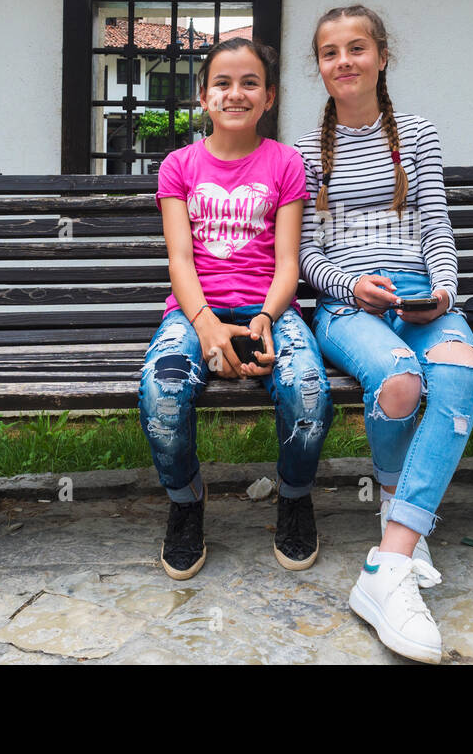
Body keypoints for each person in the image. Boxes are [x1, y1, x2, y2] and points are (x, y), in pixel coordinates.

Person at [296, 5, 473, 664]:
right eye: (330, 52)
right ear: (319, 67)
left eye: (357, 47)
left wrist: (442, 291)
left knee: (462, 369)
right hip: (348, 304)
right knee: (402, 380)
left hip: (419, 297)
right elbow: (306, 259)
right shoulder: (304, 153)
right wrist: (352, 289)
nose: (344, 60)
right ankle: (400, 523)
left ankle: (389, 558)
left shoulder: (418, 134)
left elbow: (438, 230)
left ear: (382, 56)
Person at [139, 36, 333, 581]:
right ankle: (185, 501)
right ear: (204, 96)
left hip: (269, 310)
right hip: (194, 311)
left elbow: (288, 262)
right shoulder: (179, 165)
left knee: (309, 393)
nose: (236, 94)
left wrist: (266, 319)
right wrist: (206, 328)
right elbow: (180, 259)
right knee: (162, 392)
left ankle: (294, 497)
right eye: (222, 83)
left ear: (268, 97)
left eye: (250, 83)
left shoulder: (286, 163)